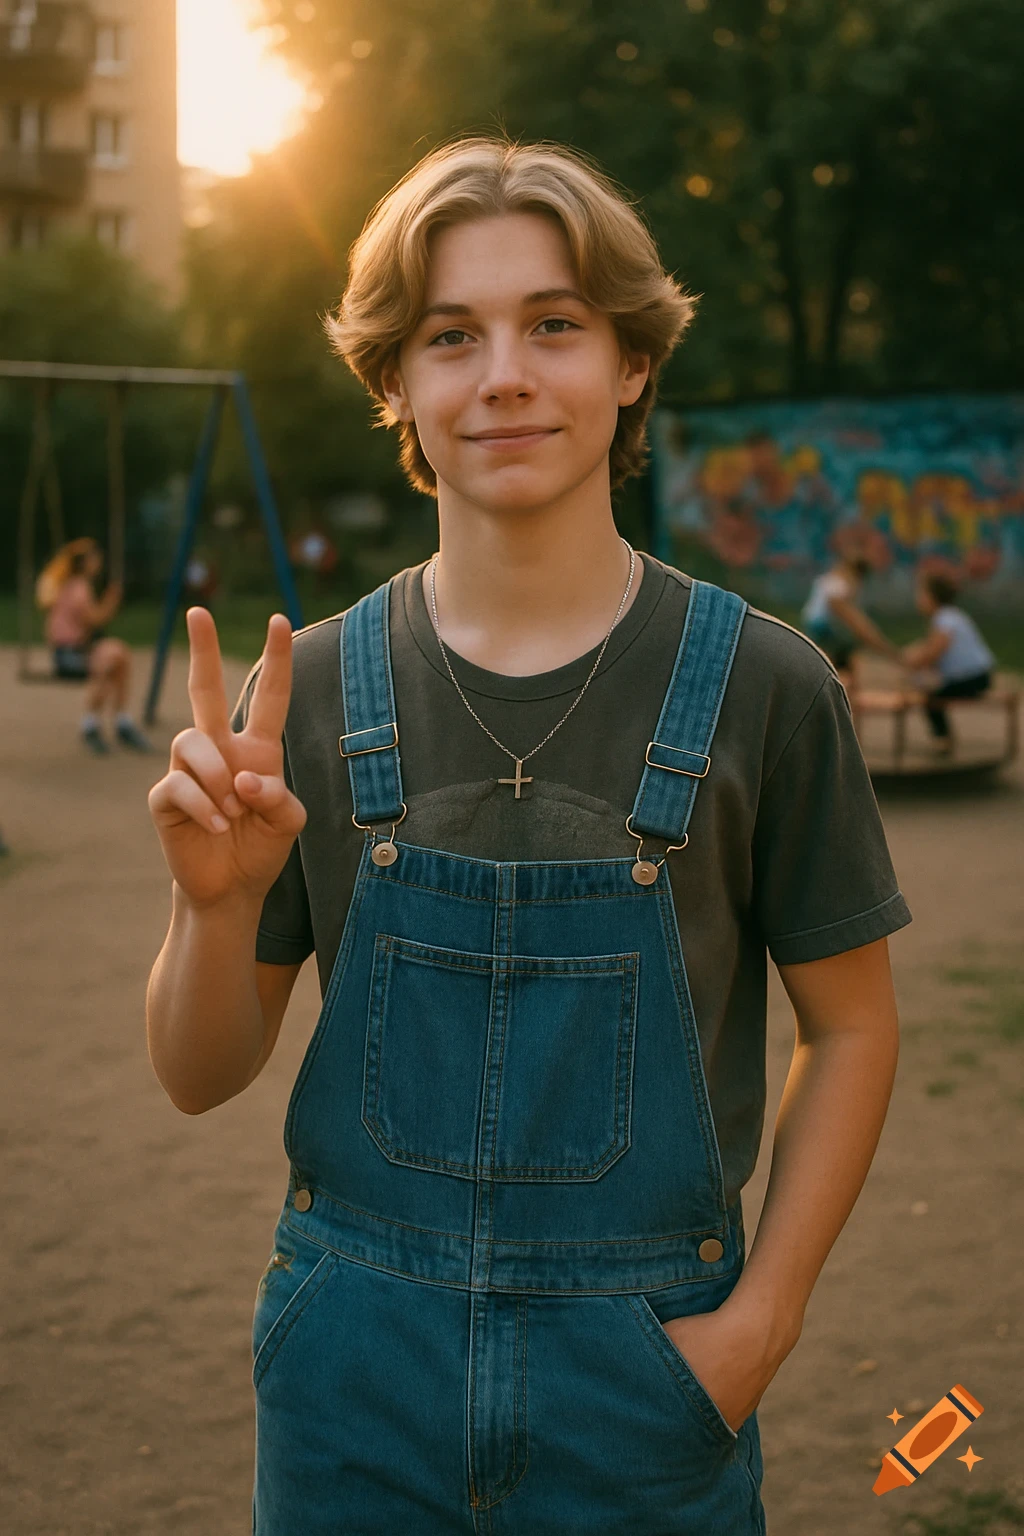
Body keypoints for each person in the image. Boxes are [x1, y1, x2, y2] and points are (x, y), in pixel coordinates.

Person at [146, 137, 911, 1534]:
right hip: (349, 1385)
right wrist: (211, 909)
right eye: (452, 335)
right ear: (395, 381)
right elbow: (199, 1077)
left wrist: (762, 1324)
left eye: (554, 323)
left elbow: (853, 1027)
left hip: (649, 1379)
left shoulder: (768, 686)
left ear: (631, 363)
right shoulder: (306, 691)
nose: (503, 373)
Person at [37, 537, 151, 754]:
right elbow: (95, 619)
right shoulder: (79, 588)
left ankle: (120, 720)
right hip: (69, 656)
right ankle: (94, 724)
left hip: (73, 652)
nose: (99, 562)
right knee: (109, 663)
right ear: (85, 562)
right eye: (95, 558)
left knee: (119, 656)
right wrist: (112, 599)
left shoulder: (69, 585)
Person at [901, 570, 995, 754]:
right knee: (928, 686)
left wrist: (912, 661)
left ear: (932, 597)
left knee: (932, 696)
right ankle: (944, 738)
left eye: (922, 595)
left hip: (973, 677)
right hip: (979, 675)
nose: (918, 600)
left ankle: (943, 740)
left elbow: (933, 653)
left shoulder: (944, 618)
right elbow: (929, 647)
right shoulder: (952, 615)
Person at [800, 552, 901, 687]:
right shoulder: (838, 588)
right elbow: (861, 628)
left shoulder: (830, 582)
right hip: (824, 633)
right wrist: (891, 653)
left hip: (821, 631)